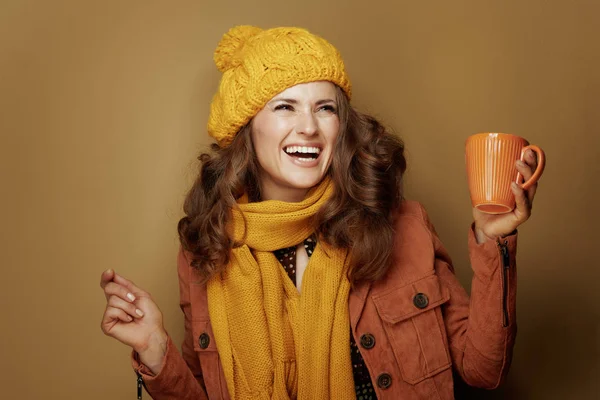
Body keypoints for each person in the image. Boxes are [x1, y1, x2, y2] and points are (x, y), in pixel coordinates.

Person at [100, 25, 541, 400]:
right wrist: (155, 351)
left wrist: (493, 240)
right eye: (284, 106)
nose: (308, 126)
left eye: (324, 108)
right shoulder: (205, 252)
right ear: (246, 129)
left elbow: (483, 370)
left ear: (341, 125)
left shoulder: (403, 226)